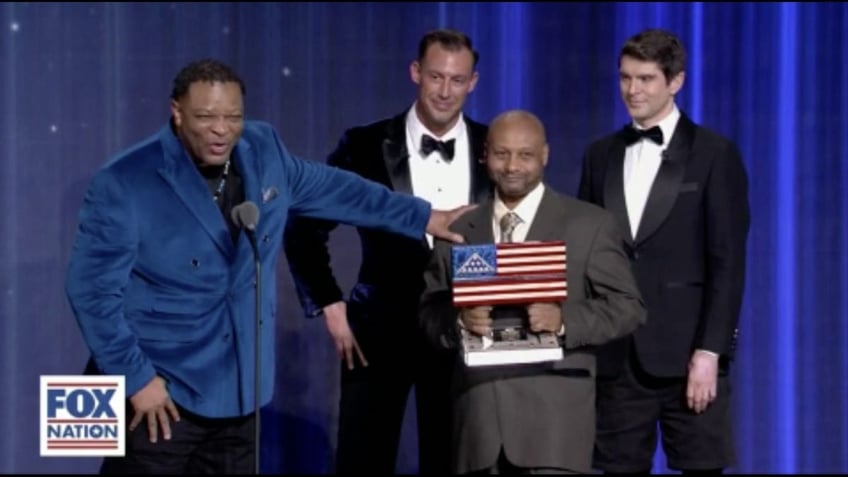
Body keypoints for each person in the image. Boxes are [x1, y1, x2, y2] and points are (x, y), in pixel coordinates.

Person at [64, 58, 473, 474]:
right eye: (206, 117)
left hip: (241, 393)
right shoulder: (125, 181)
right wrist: (136, 380)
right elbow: (92, 293)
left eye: (233, 117)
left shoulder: (262, 150)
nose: (222, 129)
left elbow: (337, 190)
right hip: (160, 397)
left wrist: (424, 217)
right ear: (176, 111)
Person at [282, 28, 490, 475]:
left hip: (466, 329)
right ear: (416, 73)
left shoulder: (495, 149)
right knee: (363, 457)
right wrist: (329, 303)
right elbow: (302, 224)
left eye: (457, 80)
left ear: (473, 82)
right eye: (436, 77)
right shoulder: (363, 145)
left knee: (457, 459)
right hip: (376, 328)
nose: (445, 91)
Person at [418, 109, 646, 474]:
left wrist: (564, 320)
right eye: (501, 153)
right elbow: (428, 312)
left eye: (525, 154)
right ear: (484, 154)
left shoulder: (589, 224)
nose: (512, 166)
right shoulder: (459, 228)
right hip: (479, 427)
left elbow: (629, 307)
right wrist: (458, 321)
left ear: (545, 155)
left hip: (555, 428)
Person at [577, 28, 750, 474]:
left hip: (689, 356)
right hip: (617, 355)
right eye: (625, 78)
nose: (632, 90)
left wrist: (710, 353)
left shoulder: (715, 154)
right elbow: (586, 256)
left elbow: (727, 264)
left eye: (646, 79)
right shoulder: (600, 155)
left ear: (675, 82)